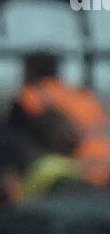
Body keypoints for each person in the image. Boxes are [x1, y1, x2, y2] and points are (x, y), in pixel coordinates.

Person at [10, 51, 110, 186]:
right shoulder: (85, 96)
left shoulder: (30, 96)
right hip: (105, 171)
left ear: (30, 71)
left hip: (72, 176)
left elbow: (12, 141)